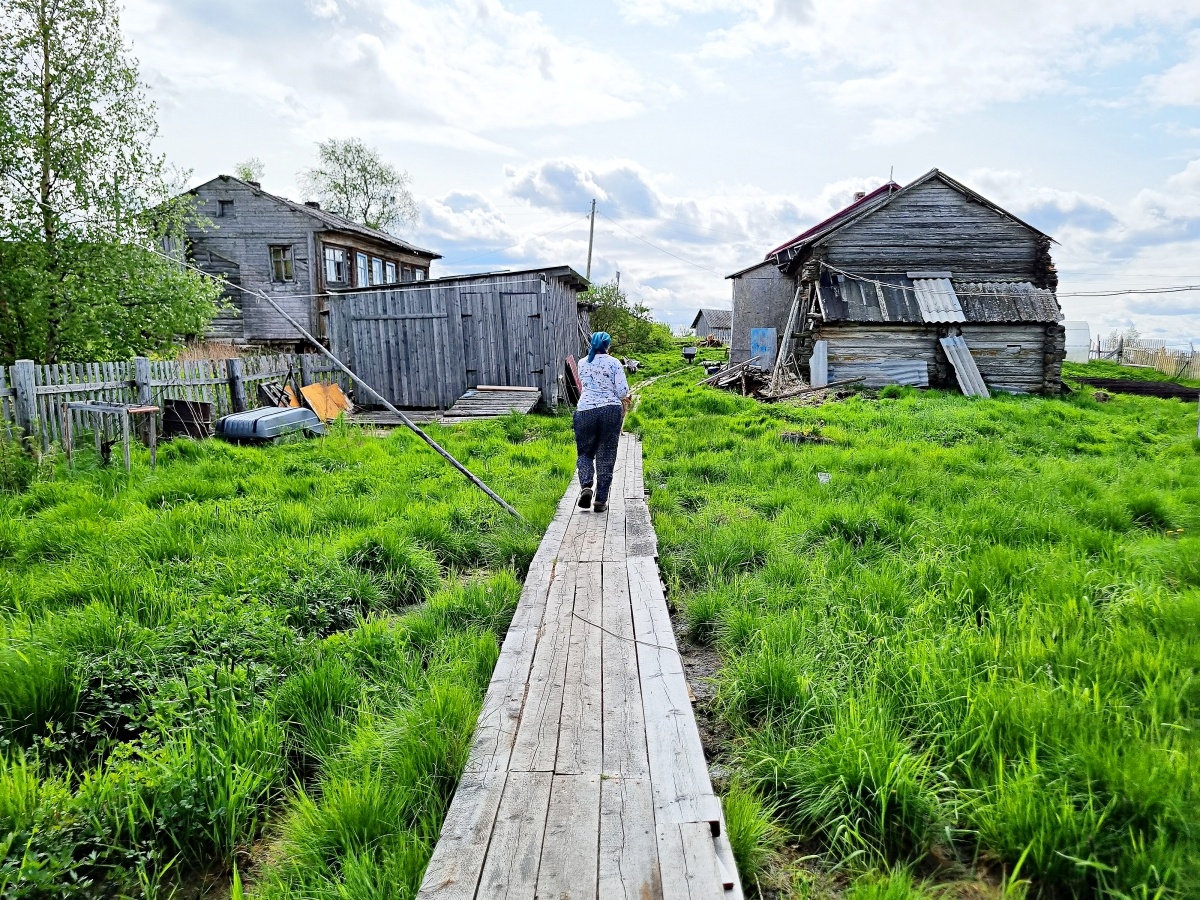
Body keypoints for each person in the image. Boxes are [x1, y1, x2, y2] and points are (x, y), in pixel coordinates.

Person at [574, 331, 631, 512]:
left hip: (585, 411)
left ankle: (586, 486)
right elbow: (623, 392)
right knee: (606, 454)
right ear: (608, 345)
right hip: (610, 411)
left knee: (585, 453)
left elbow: (585, 386)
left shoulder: (583, 362)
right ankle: (600, 501)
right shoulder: (614, 363)